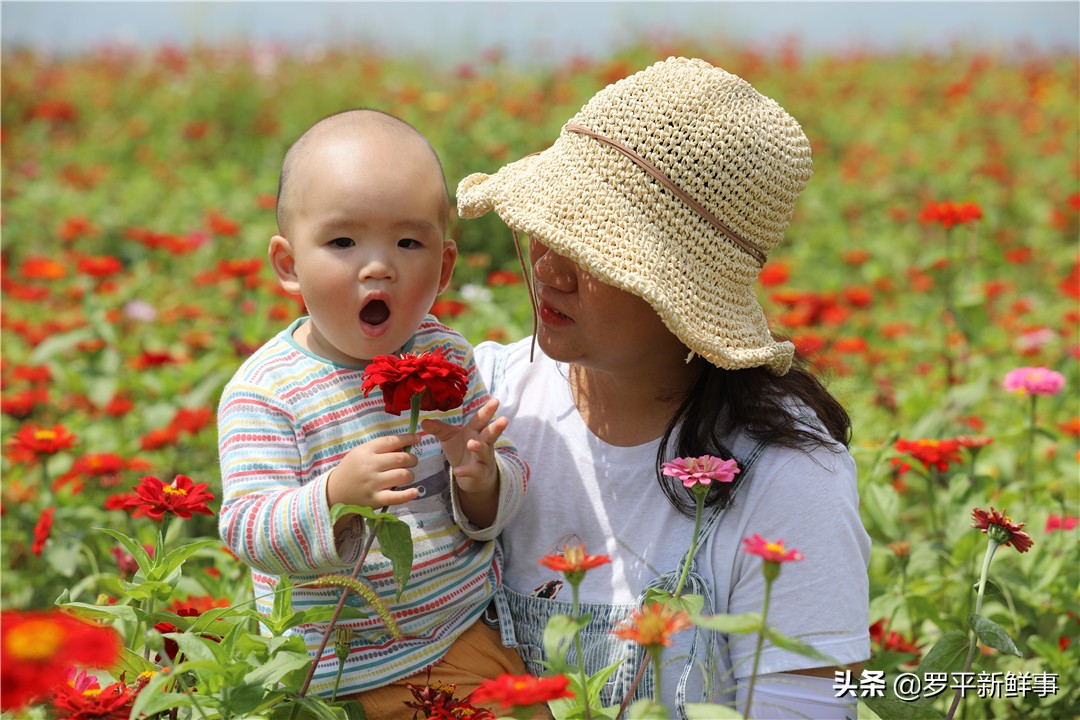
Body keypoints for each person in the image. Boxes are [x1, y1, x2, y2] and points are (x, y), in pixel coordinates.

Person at [457, 57, 871, 719]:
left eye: (593, 250)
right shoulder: (485, 403)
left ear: (684, 295)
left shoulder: (790, 479)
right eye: (550, 226)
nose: (548, 265)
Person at [217, 108, 529, 716]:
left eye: (409, 242)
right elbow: (248, 528)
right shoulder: (267, 391)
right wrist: (333, 495)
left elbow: (499, 495)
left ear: (442, 270)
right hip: (331, 675)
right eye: (342, 242)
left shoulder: (445, 356)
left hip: (460, 643)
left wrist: (483, 480)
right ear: (289, 265)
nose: (379, 264)